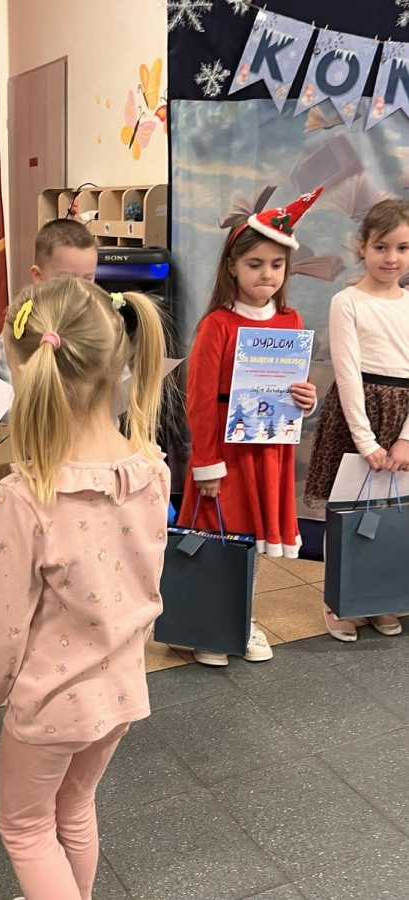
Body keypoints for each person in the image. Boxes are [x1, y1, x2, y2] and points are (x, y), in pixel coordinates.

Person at [0, 277, 170, 900]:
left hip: (50, 705)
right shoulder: (151, 468)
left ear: (25, 372)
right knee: (74, 809)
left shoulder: (25, 495)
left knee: (24, 829)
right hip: (120, 691)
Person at [178, 190, 320, 666]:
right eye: (255, 264)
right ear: (232, 267)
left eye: (277, 265)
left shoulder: (291, 320)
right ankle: (207, 625)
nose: (267, 274)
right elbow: (199, 401)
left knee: (251, 542)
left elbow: (290, 393)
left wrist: (305, 400)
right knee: (219, 538)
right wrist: (207, 463)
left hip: (267, 452)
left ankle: (241, 618)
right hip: (224, 453)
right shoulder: (217, 325)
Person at [305, 198, 409, 641]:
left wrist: (405, 439)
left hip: (402, 419)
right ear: (362, 246)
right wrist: (366, 442)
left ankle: (378, 597)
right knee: (347, 512)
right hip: (356, 417)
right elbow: (347, 374)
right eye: (381, 247)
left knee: (391, 513)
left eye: (402, 248)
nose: (391, 258)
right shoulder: (346, 301)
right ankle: (339, 599)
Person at [0, 218, 98, 383]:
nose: (79, 289)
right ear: (38, 276)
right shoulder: (19, 330)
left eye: (87, 279)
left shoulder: (100, 324)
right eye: (66, 279)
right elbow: (11, 392)